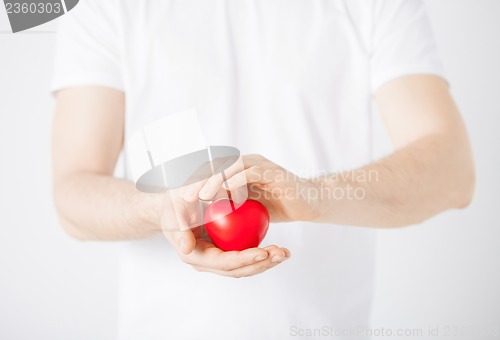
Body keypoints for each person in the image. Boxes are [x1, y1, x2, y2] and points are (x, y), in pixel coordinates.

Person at [50, 0, 475, 339]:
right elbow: (73, 194)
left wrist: (314, 196)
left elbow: (452, 172)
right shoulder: (99, 5)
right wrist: (164, 210)